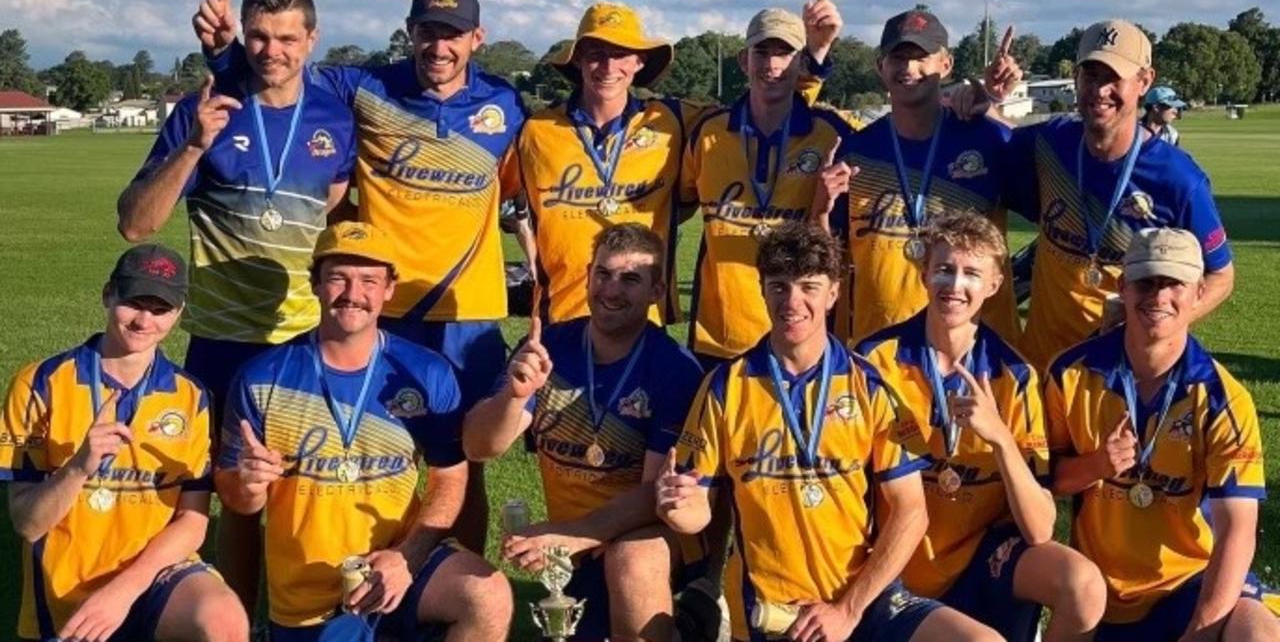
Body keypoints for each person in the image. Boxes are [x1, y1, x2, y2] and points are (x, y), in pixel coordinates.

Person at [193, 0, 526, 554]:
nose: (438, 46)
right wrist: (223, 53)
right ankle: (330, 581)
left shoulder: (507, 104)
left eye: (453, 34)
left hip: (466, 312)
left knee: (464, 464)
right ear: (409, 33)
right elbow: (278, 71)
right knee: (358, 453)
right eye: (427, 31)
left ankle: (457, 582)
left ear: (478, 37)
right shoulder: (362, 86)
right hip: (378, 308)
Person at [121, 0, 358, 612]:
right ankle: (234, 617)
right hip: (222, 342)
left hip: (304, 342)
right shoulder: (204, 104)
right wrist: (195, 145)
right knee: (231, 493)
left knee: (306, 490)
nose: (271, 50)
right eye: (257, 36)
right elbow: (136, 222)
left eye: (286, 37)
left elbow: (331, 210)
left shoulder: (336, 113)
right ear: (242, 37)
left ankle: (301, 614)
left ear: (312, 39)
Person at [658, 222, 1003, 642]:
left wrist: (847, 610)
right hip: (772, 613)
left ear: (834, 293)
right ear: (762, 290)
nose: (793, 301)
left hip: (862, 600)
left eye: (809, 287)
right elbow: (697, 512)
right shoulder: (724, 387)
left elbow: (911, 512)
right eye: (779, 286)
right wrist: (679, 507)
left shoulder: (872, 386)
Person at [214, 221, 511, 641]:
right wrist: (247, 484)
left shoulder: (426, 372)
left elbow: (450, 475)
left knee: (488, 595)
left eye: (369, 280)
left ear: (390, 288)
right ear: (315, 284)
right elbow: (236, 499)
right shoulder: (262, 377)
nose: (354, 294)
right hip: (308, 598)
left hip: (400, 570)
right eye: (339, 278)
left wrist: (407, 557)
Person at [505, 0, 839, 326]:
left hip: (645, 322)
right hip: (560, 319)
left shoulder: (675, 122)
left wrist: (816, 55)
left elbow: (767, 106)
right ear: (577, 59)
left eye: (620, 54)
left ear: (639, 61)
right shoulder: (535, 131)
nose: (608, 66)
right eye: (595, 53)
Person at [854, 210, 1105, 641]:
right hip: (893, 562)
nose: (955, 285)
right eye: (944, 270)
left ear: (994, 285)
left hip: (979, 555)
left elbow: (1041, 528)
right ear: (923, 274)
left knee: (1082, 586)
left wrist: (1001, 439)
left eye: (972, 273)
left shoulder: (1015, 375)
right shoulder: (874, 361)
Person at [464, 223, 706, 641]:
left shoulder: (675, 369)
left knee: (633, 561)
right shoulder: (550, 349)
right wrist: (514, 399)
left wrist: (579, 533)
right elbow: (480, 446)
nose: (611, 290)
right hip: (572, 547)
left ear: (657, 291)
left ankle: (689, 618)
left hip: (640, 538)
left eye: (630, 279)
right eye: (603, 274)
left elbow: (655, 496)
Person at [954, 19, 1234, 370]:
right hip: (1041, 369)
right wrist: (987, 96)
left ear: (1144, 81)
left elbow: (1221, 276)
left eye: (1113, 78)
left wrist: (1157, 321)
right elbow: (990, 133)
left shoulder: (1178, 180)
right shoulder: (1051, 143)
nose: (1100, 90)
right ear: (1076, 78)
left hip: (1117, 377)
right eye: (1091, 75)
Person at [0, 244, 248, 642]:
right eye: (134, 302)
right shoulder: (40, 383)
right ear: (107, 295)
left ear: (179, 313)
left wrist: (125, 589)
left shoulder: (193, 396)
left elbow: (193, 519)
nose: (144, 320)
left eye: (161, 308)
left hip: (155, 572)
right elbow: (27, 523)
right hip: (69, 587)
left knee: (225, 622)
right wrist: (79, 466)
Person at [1045, 227, 1277, 641]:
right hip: (1100, 591)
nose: (1158, 296)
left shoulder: (1225, 399)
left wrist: (1200, 633)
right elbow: (1047, 482)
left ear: (1200, 292)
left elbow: (1237, 530)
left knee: (1257, 632)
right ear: (1123, 286)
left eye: (1174, 283)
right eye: (1146, 282)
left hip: (1188, 584)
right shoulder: (1070, 374)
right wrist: (1097, 464)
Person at [810, 10, 1022, 346]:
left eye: (921, 57)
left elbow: (1055, 178)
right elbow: (825, 257)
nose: (909, 68)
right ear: (881, 66)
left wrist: (994, 105)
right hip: (879, 353)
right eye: (898, 57)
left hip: (974, 352)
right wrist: (820, 209)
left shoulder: (987, 141)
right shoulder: (857, 151)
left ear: (946, 65)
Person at [681, 0, 850, 369]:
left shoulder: (830, 135)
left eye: (785, 53)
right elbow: (677, 200)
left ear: (801, 62)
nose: (772, 65)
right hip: (719, 339)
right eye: (762, 52)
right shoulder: (707, 135)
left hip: (801, 336)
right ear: (745, 60)